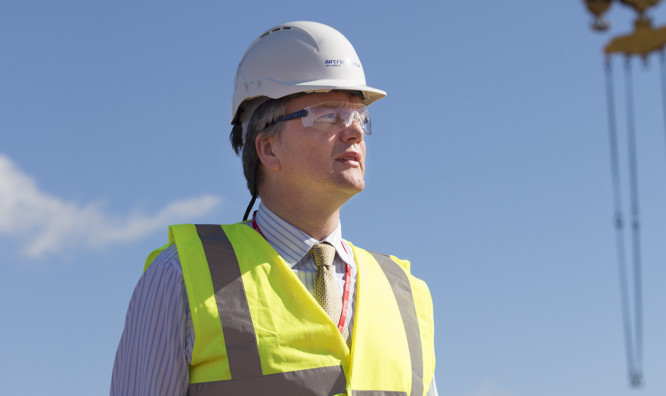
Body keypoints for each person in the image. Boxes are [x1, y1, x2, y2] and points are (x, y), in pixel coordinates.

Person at [111, 21, 437, 396]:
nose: (355, 132)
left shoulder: (407, 296)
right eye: (329, 115)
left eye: (359, 116)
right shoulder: (179, 277)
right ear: (267, 148)